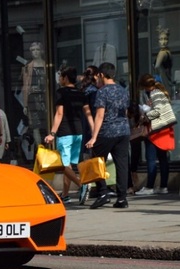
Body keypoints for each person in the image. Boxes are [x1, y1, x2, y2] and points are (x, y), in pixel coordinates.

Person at [44, 66, 94, 205]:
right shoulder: (81, 93)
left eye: (60, 76)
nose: (59, 79)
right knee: (70, 165)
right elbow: (88, 113)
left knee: (62, 165)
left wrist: (52, 133)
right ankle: (65, 194)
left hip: (65, 132)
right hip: (78, 132)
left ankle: (81, 184)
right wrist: (94, 132)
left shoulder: (61, 92)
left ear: (65, 78)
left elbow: (59, 114)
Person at [85, 62, 131, 209]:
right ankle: (122, 198)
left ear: (101, 75)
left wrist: (93, 137)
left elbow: (99, 116)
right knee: (122, 164)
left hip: (107, 131)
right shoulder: (123, 90)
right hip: (123, 131)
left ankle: (103, 192)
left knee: (96, 160)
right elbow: (125, 112)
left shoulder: (102, 92)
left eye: (97, 76)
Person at [134, 73, 171, 195]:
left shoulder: (154, 95)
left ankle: (150, 187)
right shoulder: (162, 93)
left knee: (151, 159)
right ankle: (163, 186)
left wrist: (144, 116)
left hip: (154, 129)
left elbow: (156, 112)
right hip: (164, 130)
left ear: (146, 86)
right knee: (163, 159)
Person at [22, 42, 48, 148]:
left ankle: (49, 147)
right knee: (35, 125)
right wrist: (25, 104)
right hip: (33, 98)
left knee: (47, 123)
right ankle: (40, 149)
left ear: (41, 51)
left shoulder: (46, 65)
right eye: (32, 50)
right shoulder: (28, 67)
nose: (35, 52)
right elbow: (25, 86)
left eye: (37, 49)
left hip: (45, 98)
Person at [154, 26, 173, 94]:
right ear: (158, 41)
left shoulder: (162, 53)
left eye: (165, 39)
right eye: (161, 39)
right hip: (168, 85)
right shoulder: (168, 52)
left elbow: (157, 66)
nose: (163, 42)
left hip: (163, 87)